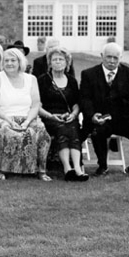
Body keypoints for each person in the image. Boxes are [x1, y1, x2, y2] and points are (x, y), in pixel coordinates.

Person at [79, 42, 129, 179]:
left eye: (115, 58)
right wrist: (91, 115)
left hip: (123, 119)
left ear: (121, 58)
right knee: (97, 130)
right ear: (102, 56)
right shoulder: (89, 74)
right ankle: (102, 166)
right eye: (108, 57)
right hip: (100, 119)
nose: (112, 61)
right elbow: (85, 99)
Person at [0, 48, 52, 181]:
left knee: (40, 129)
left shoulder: (31, 79)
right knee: (2, 129)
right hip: (1, 116)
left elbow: (35, 105)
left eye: (13, 60)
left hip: (27, 117)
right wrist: (8, 120)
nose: (9, 63)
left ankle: (40, 170)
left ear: (20, 62)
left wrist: (27, 122)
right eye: (6, 60)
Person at [37, 46, 87, 181]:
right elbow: (37, 105)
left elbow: (76, 104)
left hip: (68, 115)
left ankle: (77, 168)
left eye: (61, 59)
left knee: (73, 127)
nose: (58, 62)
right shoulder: (42, 80)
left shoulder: (72, 81)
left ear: (67, 63)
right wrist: (50, 116)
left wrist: (74, 115)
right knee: (62, 128)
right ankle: (67, 168)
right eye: (54, 59)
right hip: (48, 116)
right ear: (49, 63)